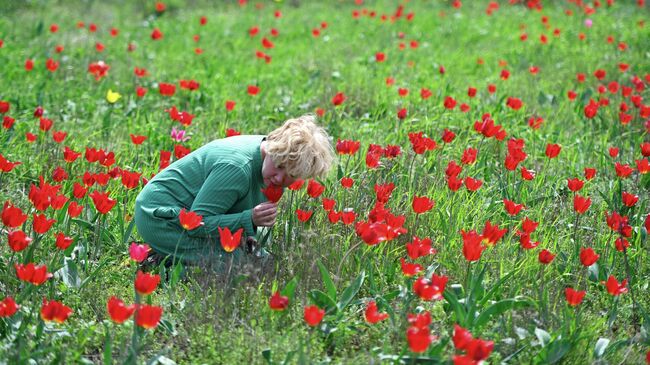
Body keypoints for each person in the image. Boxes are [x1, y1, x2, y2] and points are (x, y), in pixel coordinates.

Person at [134, 114, 334, 271]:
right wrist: (249, 219)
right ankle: (161, 266)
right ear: (273, 146)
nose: (280, 179)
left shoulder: (268, 157)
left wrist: (248, 233)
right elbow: (196, 224)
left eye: (291, 175)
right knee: (238, 269)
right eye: (280, 166)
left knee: (263, 262)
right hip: (160, 218)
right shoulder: (237, 168)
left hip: (189, 217)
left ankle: (171, 256)